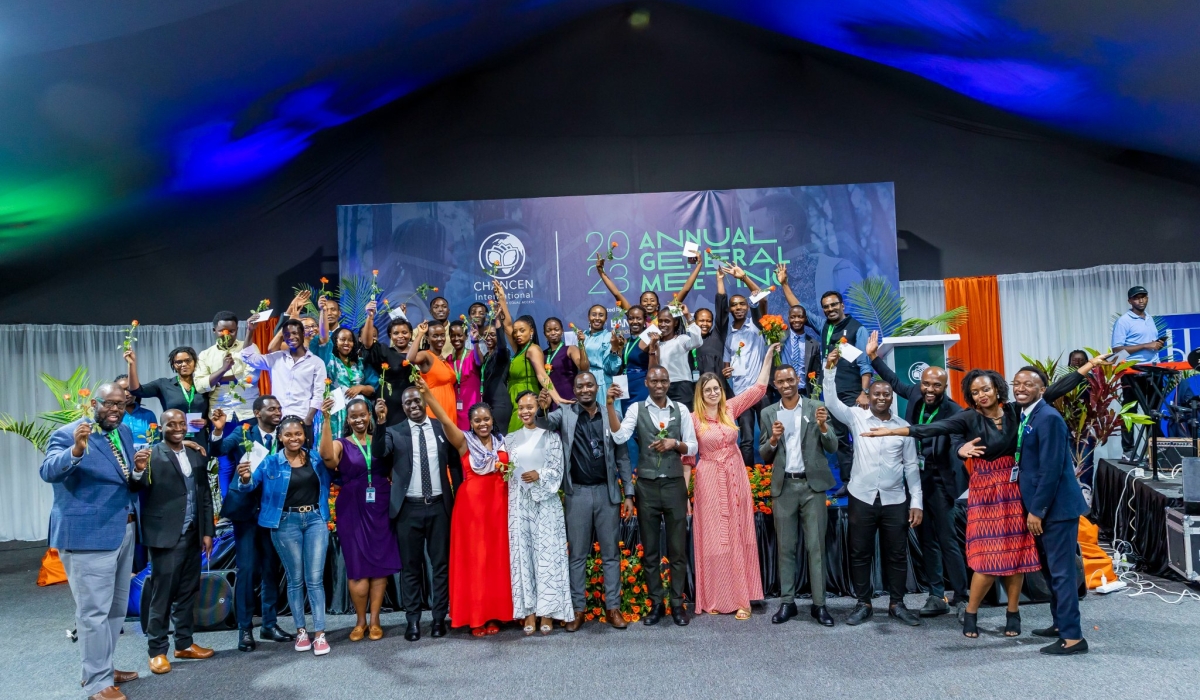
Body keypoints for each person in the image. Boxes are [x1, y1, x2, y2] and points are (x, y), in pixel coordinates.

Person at [862, 355, 1103, 637]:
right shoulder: (968, 417)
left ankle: (1014, 613)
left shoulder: (1016, 412)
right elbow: (933, 429)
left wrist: (1087, 368)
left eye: (986, 389)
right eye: (975, 392)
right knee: (986, 559)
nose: (981, 395)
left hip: (1014, 493)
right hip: (985, 493)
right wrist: (892, 432)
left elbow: (1053, 390)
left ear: (998, 389)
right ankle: (971, 612)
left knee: (1017, 557)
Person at [40, 383, 140, 700]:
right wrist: (77, 450)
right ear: (93, 403)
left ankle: (105, 668)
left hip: (124, 530)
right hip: (88, 535)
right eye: (108, 404)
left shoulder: (122, 433)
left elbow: (124, 478)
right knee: (92, 612)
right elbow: (48, 471)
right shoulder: (69, 433)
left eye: (120, 404)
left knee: (114, 611)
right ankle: (97, 683)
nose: (115, 409)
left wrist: (137, 470)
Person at [865, 331, 970, 620]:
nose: (929, 389)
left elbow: (958, 440)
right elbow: (895, 382)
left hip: (943, 480)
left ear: (945, 385)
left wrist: (961, 452)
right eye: (925, 383)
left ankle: (962, 598)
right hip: (917, 480)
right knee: (927, 540)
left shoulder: (954, 411)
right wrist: (873, 357)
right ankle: (937, 596)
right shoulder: (914, 394)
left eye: (936, 385)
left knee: (948, 540)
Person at [823, 349, 923, 627]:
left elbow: (911, 467)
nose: (881, 398)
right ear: (869, 395)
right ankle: (863, 603)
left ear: (892, 398)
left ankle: (897, 603)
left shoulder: (903, 427)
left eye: (886, 394)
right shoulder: (856, 416)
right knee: (860, 551)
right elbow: (831, 402)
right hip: (861, 498)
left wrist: (917, 502)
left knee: (896, 553)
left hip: (895, 500)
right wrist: (829, 370)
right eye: (876, 393)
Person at [536, 372, 634, 631]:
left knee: (611, 555)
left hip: (606, 494)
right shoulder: (565, 413)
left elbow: (623, 457)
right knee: (577, 556)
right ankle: (577, 610)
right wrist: (542, 408)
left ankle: (613, 609)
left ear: (596, 387)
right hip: (577, 494)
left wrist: (629, 494)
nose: (585, 389)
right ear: (575, 390)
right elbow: (544, 423)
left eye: (590, 384)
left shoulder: (610, 414)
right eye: (580, 386)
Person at [418, 377, 514, 636]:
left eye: (486, 419)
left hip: (498, 506)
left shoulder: (504, 443)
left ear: (492, 420)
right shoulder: (463, 442)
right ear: (470, 423)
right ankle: (476, 617)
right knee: (476, 561)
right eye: (477, 420)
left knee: (497, 560)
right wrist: (428, 396)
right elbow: (446, 420)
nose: (483, 424)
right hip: (472, 509)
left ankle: (495, 614)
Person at [689, 344, 778, 618]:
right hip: (708, 479)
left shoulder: (729, 408)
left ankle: (742, 598)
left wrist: (767, 358)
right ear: (701, 394)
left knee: (738, 535)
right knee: (715, 538)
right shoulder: (692, 420)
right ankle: (716, 596)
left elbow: (758, 390)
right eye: (708, 390)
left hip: (735, 476)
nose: (713, 393)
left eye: (716, 388)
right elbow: (687, 456)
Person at [234, 415, 332, 656]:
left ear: (305, 435)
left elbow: (332, 475)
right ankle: (301, 631)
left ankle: (319, 634)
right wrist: (244, 478)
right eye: (288, 434)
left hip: (315, 521)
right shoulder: (270, 463)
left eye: (298, 433)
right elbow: (248, 486)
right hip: (285, 524)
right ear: (280, 437)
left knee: (315, 579)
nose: (293, 438)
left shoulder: (316, 459)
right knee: (295, 578)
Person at [608, 366, 698, 627]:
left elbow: (692, 445)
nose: (659, 385)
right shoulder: (636, 409)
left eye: (663, 380)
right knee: (650, 551)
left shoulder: (681, 410)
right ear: (646, 383)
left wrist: (675, 444)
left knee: (677, 549)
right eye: (654, 381)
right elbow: (619, 435)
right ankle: (657, 603)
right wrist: (611, 406)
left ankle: (677, 604)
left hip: (673, 486)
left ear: (669, 383)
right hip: (646, 486)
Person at [1010, 367, 1091, 655]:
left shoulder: (1049, 418)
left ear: (1042, 389)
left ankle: (1073, 638)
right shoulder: (1028, 415)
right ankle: (1060, 625)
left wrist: (1037, 511)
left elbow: (1052, 469)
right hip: (1043, 509)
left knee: (1062, 573)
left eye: (1028, 384)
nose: (1020, 388)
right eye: (1016, 383)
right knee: (1051, 572)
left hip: (1054, 510)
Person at [129, 409, 215, 674]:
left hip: (193, 534)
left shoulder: (194, 454)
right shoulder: (151, 454)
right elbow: (136, 487)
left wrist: (207, 531)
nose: (177, 428)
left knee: (188, 592)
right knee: (162, 595)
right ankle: (156, 651)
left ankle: (184, 644)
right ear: (161, 427)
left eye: (181, 423)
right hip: (164, 535)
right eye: (171, 424)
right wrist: (138, 470)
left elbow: (203, 495)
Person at [373, 387, 460, 642]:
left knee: (440, 566)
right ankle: (412, 621)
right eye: (407, 401)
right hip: (408, 509)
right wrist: (379, 423)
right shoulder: (393, 431)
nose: (412, 404)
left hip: (439, 507)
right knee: (410, 568)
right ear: (403, 406)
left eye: (416, 400)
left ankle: (438, 619)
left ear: (425, 402)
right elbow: (379, 452)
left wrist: (458, 499)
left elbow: (454, 465)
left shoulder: (441, 428)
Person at [208, 396, 293, 652]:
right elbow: (218, 450)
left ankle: (269, 624)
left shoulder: (285, 436)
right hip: (246, 513)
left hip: (273, 512)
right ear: (257, 413)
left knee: (270, 569)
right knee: (246, 571)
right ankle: (245, 628)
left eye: (279, 408)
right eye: (271, 408)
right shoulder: (243, 433)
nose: (277, 412)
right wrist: (219, 431)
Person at [760, 364, 838, 627]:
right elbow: (763, 453)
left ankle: (820, 606)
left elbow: (833, 446)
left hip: (812, 487)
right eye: (780, 381)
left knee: (815, 547)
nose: (786, 384)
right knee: (786, 548)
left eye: (790, 379)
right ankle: (787, 603)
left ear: (798, 380)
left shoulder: (816, 407)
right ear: (775, 385)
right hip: (784, 489)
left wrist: (824, 426)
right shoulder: (768, 413)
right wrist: (772, 439)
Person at [318, 396, 401, 642]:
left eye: (363, 414)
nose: (358, 419)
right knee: (357, 569)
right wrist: (326, 419)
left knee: (378, 566)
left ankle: (375, 620)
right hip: (352, 509)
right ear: (348, 419)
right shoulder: (341, 443)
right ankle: (360, 620)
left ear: (369, 415)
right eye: (353, 416)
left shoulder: (380, 440)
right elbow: (327, 458)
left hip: (380, 505)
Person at [507, 391, 574, 634]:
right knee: (524, 556)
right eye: (521, 408)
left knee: (547, 558)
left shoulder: (551, 437)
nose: (525, 411)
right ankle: (529, 613)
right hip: (519, 504)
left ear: (539, 407)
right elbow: (508, 471)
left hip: (546, 503)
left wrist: (539, 475)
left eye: (530, 406)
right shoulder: (510, 439)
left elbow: (557, 470)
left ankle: (548, 613)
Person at [816, 290, 873, 493]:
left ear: (842, 306)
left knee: (860, 437)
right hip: (831, 395)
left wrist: (864, 392)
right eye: (826, 306)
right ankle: (848, 482)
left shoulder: (858, 329)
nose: (830, 309)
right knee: (840, 439)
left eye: (833, 305)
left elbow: (865, 365)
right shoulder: (824, 326)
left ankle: (866, 480)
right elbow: (800, 309)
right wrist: (785, 284)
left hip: (853, 393)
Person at [493, 279, 568, 432]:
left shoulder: (532, 349)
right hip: (514, 400)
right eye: (516, 332)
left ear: (531, 332)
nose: (517, 334)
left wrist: (556, 398)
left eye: (522, 330)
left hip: (527, 400)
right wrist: (502, 298)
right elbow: (507, 326)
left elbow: (542, 375)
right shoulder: (519, 350)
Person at [241, 316, 327, 446]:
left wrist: (308, 420)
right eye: (286, 335)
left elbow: (319, 393)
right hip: (275, 420)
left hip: (302, 420)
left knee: (302, 460)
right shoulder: (276, 358)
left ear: (303, 334)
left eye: (294, 333)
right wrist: (250, 331)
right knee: (277, 460)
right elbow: (248, 357)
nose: (291, 337)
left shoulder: (316, 363)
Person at [722, 264, 767, 466]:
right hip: (740, 393)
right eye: (734, 305)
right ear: (729, 309)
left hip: (762, 391)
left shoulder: (757, 326)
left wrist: (744, 277)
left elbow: (762, 298)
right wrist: (725, 371)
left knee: (768, 437)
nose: (738, 307)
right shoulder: (728, 335)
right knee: (746, 440)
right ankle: (750, 480)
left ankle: (771, 477)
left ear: (748, 307)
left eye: (742, 304)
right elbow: (726, 365)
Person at [125, 346, 212, 453]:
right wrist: (132, 364)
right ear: (174, 365)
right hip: (173, 441)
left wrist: (206, 421)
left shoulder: (204, 385)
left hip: (199, 440)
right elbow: (136, 390)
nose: (184, 364)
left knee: (199, 469)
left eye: (188, 360)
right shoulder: (164, 384)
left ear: (195, 362)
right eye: (179, 362)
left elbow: (214, 410)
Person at [1111, 285, 1163, 457]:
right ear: (1130, 301)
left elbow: (1149, 344)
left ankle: (1153, 450)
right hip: (1132, 372)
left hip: (1153, 370)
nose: (1141, 300)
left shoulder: (1149, 318)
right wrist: (1145, 345)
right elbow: (1117, 351)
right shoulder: (1124, 321)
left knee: (1153, 411)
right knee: (1130, 411)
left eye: (1144, 297)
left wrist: (1156, 344)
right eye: (1136, 297)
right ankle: (1128, 450)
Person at [195, 310, 260, 423]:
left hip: (248, 412)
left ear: (237, 330)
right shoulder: (205, 355)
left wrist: (216, 380)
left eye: (231, 331)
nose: (227, 334)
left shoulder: (250, 347)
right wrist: (223, 369)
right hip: (219, 414)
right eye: (222, 331)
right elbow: (200, 386)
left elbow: (251, 377)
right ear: (214, 331)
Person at [775, 263, 821, 396]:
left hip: (804, 392)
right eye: (793, 317)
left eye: (800, 317)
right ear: (788, 319)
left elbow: (817, 371)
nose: (796, 320)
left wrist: (815, 394)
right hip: (781, 392)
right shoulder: (779, 337)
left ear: (805, 319)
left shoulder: (814, 344)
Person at [324, 326, 378, 438]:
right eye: (342, 339)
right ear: (335, 341)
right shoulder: (330, 360)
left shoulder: (361, 363)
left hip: (360, 410)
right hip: (337, 409)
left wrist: (361, 388)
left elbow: (374, 388)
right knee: (338, 443)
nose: (346, 343)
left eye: (350, 340)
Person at [652, 304, 703, 409]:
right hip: (662, 388)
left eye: (667, 321)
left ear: (675, 323)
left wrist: (688, 316)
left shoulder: (681, 340)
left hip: (682, 387)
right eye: (660, 321)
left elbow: (698, 341)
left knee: (684, 421)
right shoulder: (656, 344)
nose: (663, 324)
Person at [407, 321, 458, 423]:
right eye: (435, 336)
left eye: (442, 335)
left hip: (450, 408)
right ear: (428, 339)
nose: (440, 339)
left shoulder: (442, 359)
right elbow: (410, 358)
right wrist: (420, 333)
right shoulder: (426, 355)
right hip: (435, 408)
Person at [580, 304, 624, 408]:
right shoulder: (582, 336)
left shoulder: (609, 336)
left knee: (606, 418)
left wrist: (614, 348)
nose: (597, 318)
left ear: (606, 319)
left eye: (601, 315)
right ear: (588, 317)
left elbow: (611, 369)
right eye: (594, 315)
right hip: (584, 382)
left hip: (604, 383)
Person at [542, 317, 589, 409]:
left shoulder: (570, 349)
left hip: (569, 398)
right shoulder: (542, 354)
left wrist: (581, 345)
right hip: (551, 401)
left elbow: (584, 368)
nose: (553, 333)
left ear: (562, 331)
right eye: (549, 330)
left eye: (556, 329)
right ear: (544, 334)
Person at [479, 316, 514, 433]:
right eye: (486, 334)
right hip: (488, 403)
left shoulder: (502, 354)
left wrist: (498, 322)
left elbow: (502, 346)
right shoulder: (486, 357)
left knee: (499, 441)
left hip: (500, 404)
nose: (488, 337)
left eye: (492, 335)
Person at [447, 319, 485, 429]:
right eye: (453, 336)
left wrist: (475, 342)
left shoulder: (473, 354)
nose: (456, 339)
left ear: (465, 336)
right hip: (455, 406)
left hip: (472, 404)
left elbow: (480, 362)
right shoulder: (448, 359)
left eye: (459, 335)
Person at [115, 374, 157, 448]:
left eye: (129, 389)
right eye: (121, 390)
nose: (125, 394)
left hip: (146, 457)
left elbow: (156, 441)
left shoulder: (148, 414)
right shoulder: (112, 415)